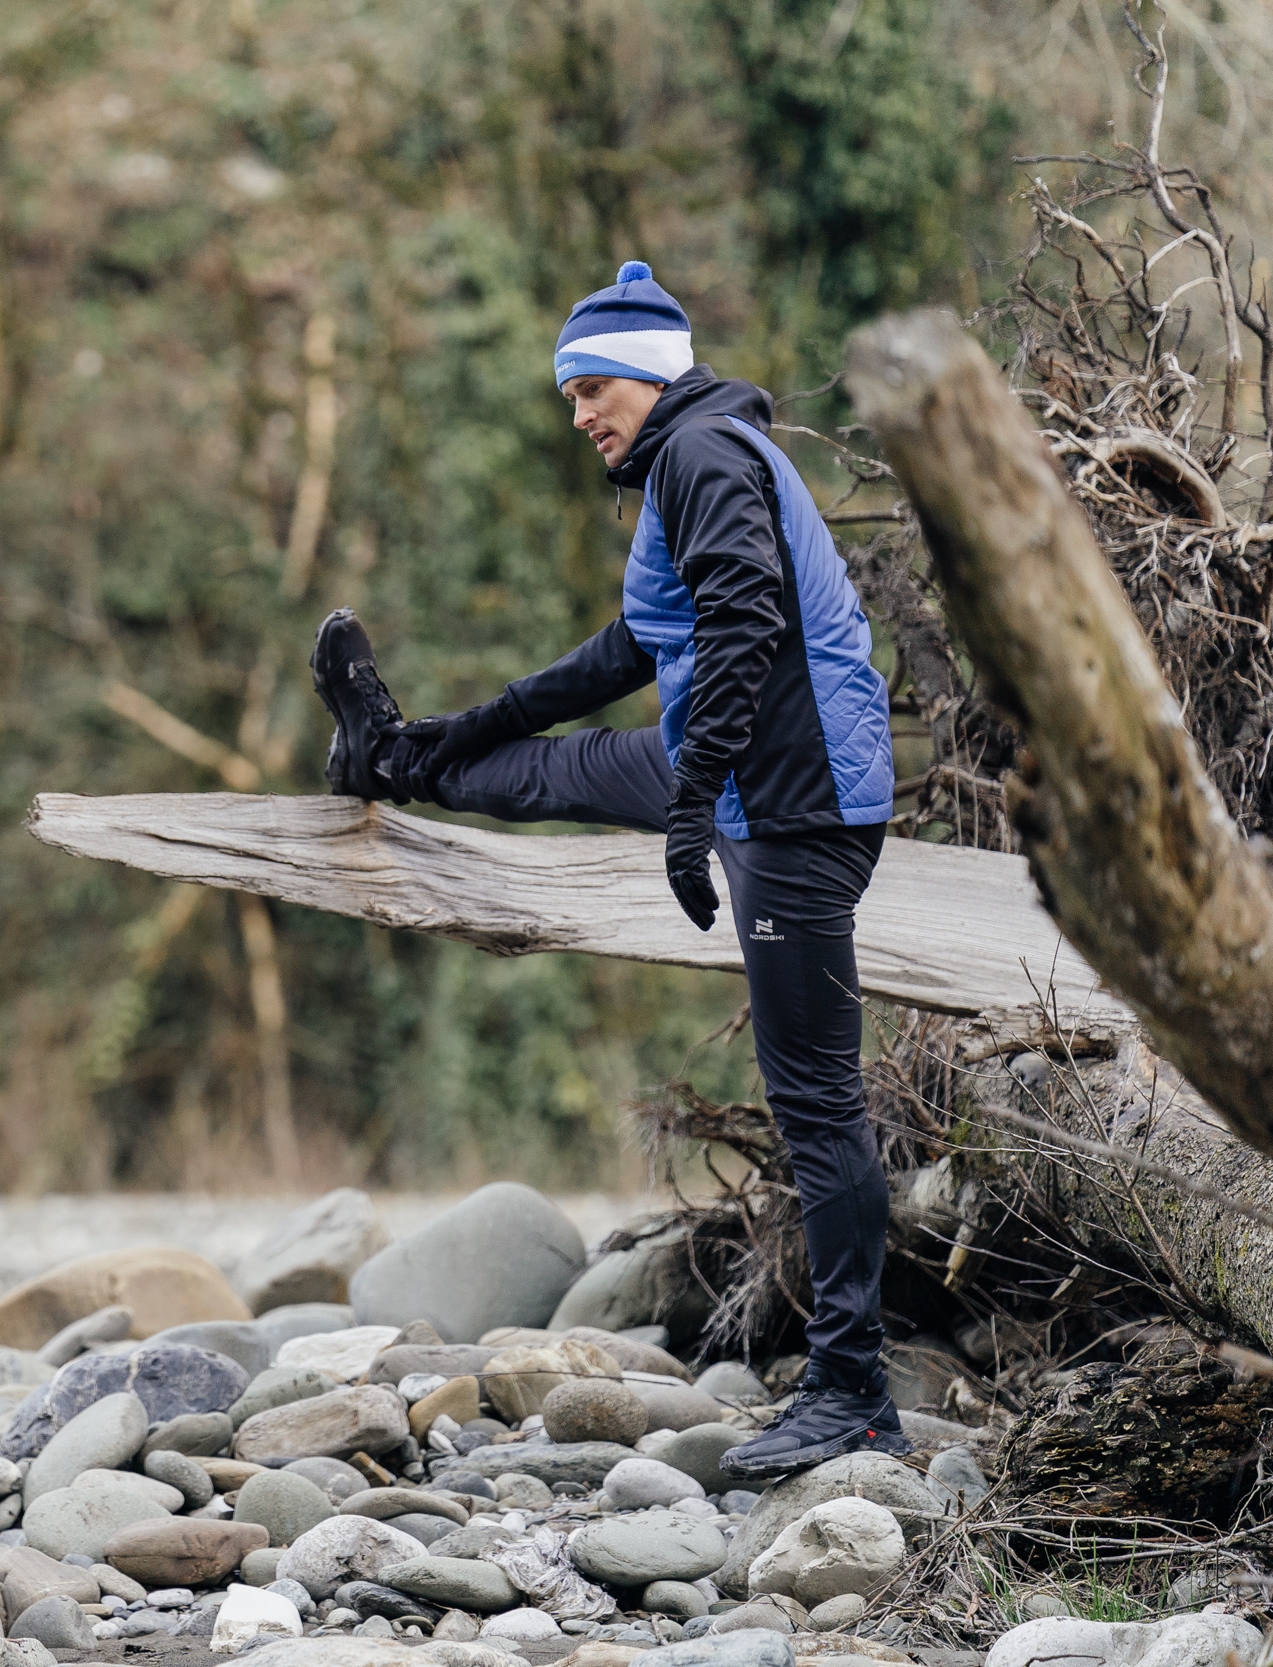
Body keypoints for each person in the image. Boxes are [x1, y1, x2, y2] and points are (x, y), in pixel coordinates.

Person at [313, 262, 908, 1479]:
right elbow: (628, 649)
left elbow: (748, 625)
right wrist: (470, 724)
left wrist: (693, 811)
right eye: (569, 394)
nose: (580, 413)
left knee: (816, 1103)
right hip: (735, 769)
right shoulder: (679, 470)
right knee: (544, 767)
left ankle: (853, 1395)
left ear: (651, 374)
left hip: (794, 806)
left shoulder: (704, 457)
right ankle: (390, 751)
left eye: (593, 387)